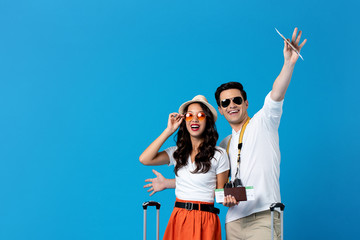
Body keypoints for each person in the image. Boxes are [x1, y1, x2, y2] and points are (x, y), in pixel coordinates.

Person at [143, 27, 307, 240]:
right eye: (225, 102)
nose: (232, 105)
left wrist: (288, 63)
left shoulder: (263, 122)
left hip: (265, 214)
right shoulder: (225, 144)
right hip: (234, 219)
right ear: (220, 109)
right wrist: (168, 183)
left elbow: (276, 94)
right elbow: (205, 179)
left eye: (237, 100)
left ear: (246, 103)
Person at [139, 95, 230, 240]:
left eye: (200, 115)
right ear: (184, 120)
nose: (194, 119)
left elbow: (220, 193)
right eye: (189, 115)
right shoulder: (177, 152)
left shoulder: (219, 154)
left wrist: (233, 196)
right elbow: (145, 159)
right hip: (179, 216)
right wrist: (169, 130)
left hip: (205, 220)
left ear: (208, 121)